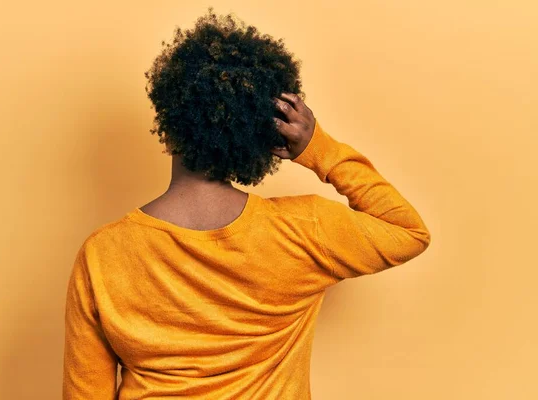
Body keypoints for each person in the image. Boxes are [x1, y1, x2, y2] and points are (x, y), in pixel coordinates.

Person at [62, 7, 431, 400]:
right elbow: (407, 231)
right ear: (260, 143)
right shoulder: (303, 230)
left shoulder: (102, 256)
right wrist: (318, 148)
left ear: (169, 131)